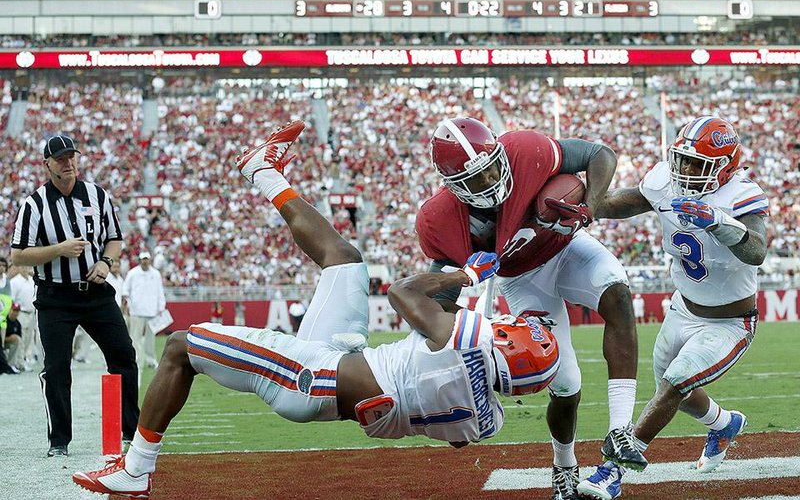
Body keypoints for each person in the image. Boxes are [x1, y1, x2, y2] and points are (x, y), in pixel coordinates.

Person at [72, 120, 561, 498]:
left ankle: (136, 471)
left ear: (506, 345)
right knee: (344, 261)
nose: (511, 324)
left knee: (180, 346)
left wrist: (466, 276)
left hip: (309, 376)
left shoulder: (469, 339)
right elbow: (456, 436)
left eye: (515, 330)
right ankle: (262, 170)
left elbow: (402, 293)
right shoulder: (487, 420)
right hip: (339, 370)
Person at [416, 117, 642, 499]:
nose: (490, 184)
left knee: (617, 293)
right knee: (566, 383)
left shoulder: (524, 150)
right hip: (523, 279)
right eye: (476, 181)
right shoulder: (439, 220)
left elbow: (598, 154)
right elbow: (438, 303)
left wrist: (588, 207)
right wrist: (466, 314)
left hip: (566, 248)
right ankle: (564, 465)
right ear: (452, 187)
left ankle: (619, 430)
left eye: (491, 171)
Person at [578, 116, 768, 499]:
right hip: (683, 310)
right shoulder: (667, 180)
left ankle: (613, 470)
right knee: (674, 388)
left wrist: (721, 224)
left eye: (697, 164)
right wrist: (586, 206)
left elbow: (757, 251)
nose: (685, 170)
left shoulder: (742, 195)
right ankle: (724, 424)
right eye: (682, 160)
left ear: (726, 166)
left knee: (677, 381)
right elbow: (624, 203)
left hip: (729, 322)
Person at [10, 134, 139, 457]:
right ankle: (59, 441)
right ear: (47, 164)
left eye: (72, 157)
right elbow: (18, 256)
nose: (68, 164)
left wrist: (106, 263)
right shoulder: (34, 204)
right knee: (56, 367)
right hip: (55, 298)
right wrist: (59, 250)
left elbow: (114, 239)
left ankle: (131, 432)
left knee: (124, 356)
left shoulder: (97, 195)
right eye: (61, 159)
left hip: (96, 293)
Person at [122, 251, 166, 370]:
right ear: (140, 260)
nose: (145, 261)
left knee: (150, 339)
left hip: (152, 311)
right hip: (136, 311)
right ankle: (135, 359)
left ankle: (151, 360)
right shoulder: (133, 273)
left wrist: (161, 307)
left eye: (146, 259)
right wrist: (130, 305)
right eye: (143, 259)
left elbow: (160, 291)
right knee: (135, 337)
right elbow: (125, 291)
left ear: (150, 260)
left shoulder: (156, 274)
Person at [9, 265, 39, 369]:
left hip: (31, 312)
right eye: (23, 267)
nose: (25, 268)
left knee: (29, 338)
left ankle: (25, 358)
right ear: (19, 268)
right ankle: (19, 362)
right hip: (20, 312)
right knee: (21, 337)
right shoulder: (15, 282)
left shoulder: (32, 281)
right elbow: (12, 298)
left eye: (27, 266)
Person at [3, 303, 23, 368]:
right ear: (10, 310)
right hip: (2, 341)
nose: (15, 313)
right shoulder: (4, 320)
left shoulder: (18, 324)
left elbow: (19, 338)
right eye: (14, 310)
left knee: (18, 341)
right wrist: (8, 338)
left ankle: (12, 364)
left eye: (17, 311)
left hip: (8, 343)